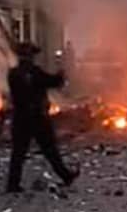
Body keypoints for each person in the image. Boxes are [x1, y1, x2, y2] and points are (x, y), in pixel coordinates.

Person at [5, 42, 78, 193]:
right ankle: (65, 175)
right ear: (30, 56)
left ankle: (13, 184)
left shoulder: (13, 73)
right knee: (50, 149)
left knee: (18, 152)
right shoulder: (34, 72)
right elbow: (54, 82)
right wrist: (62, 73)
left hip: (20, 118)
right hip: (37, 118)